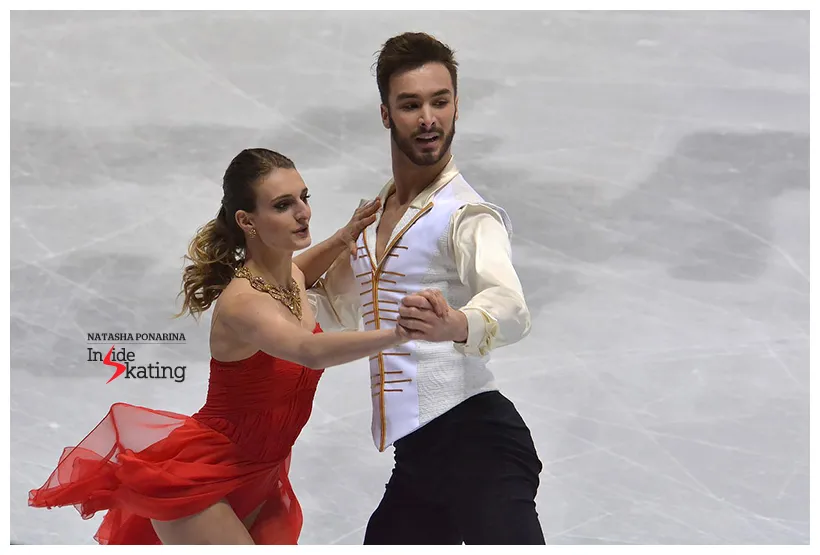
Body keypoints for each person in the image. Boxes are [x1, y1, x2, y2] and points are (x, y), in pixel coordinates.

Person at [27, 147, 443, 545]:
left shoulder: (287, 278)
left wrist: (341, 238)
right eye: (283, 205)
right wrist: (399, 333)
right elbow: (309, 350)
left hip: (263, 472)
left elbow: (299, 272)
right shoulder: (244, 304)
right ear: (247, 221)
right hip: (202, 478)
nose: (302, 212)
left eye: (304, 197)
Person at [308, 32, 546, 544]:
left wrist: (456, 323)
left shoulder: (466, 214)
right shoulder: (372, 218)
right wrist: (260, 288)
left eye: (440, 102)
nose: (428, 118)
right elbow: (336, 312)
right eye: (410, 105)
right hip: (417, 459)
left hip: (479, 448)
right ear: (386, 114)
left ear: (457, 105)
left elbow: (511, 307)